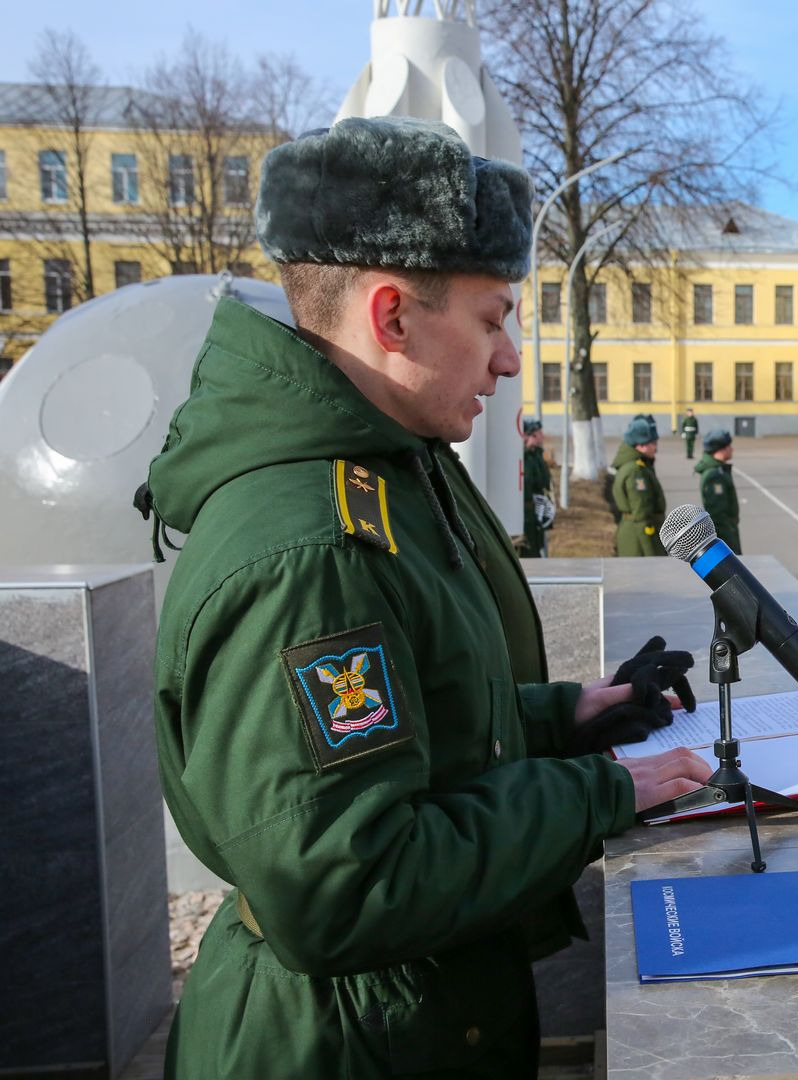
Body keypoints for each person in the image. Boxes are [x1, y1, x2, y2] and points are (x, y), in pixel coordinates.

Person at [140, 117, 710, 1079]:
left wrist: (564, 716)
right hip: (340, 1044)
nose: (510, 358)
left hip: (402, 1018)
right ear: (394, 315)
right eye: (492, 319)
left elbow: (408, 730)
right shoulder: (310, 550)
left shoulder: (388, 469)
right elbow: (344, 882)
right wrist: (599, 793)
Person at [613, 415, 667, 556]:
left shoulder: (636, 466)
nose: (655, 448)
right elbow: (641, 514)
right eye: (653, 443)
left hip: (636, 535)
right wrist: (651, 553)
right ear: (641, 445)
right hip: (639, 540)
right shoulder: (636, 472)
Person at [695, 428, 740, 552]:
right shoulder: (714, 476)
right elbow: (718, 516)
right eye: (728, 446)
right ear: (720, 449)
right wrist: (731, 545)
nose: (732, 449)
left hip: (728, 531)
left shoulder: (718, 470)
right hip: (725, 536)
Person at [520, 417, 553, 557]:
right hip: (525, 514)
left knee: (537, 548)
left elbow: (544, 481)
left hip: (536, 512)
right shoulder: (522, 457)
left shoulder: (537, 455)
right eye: (538, 433)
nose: (542, 436)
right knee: (529, 551)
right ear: (529, 435)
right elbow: (526, 483)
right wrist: (526, 450)